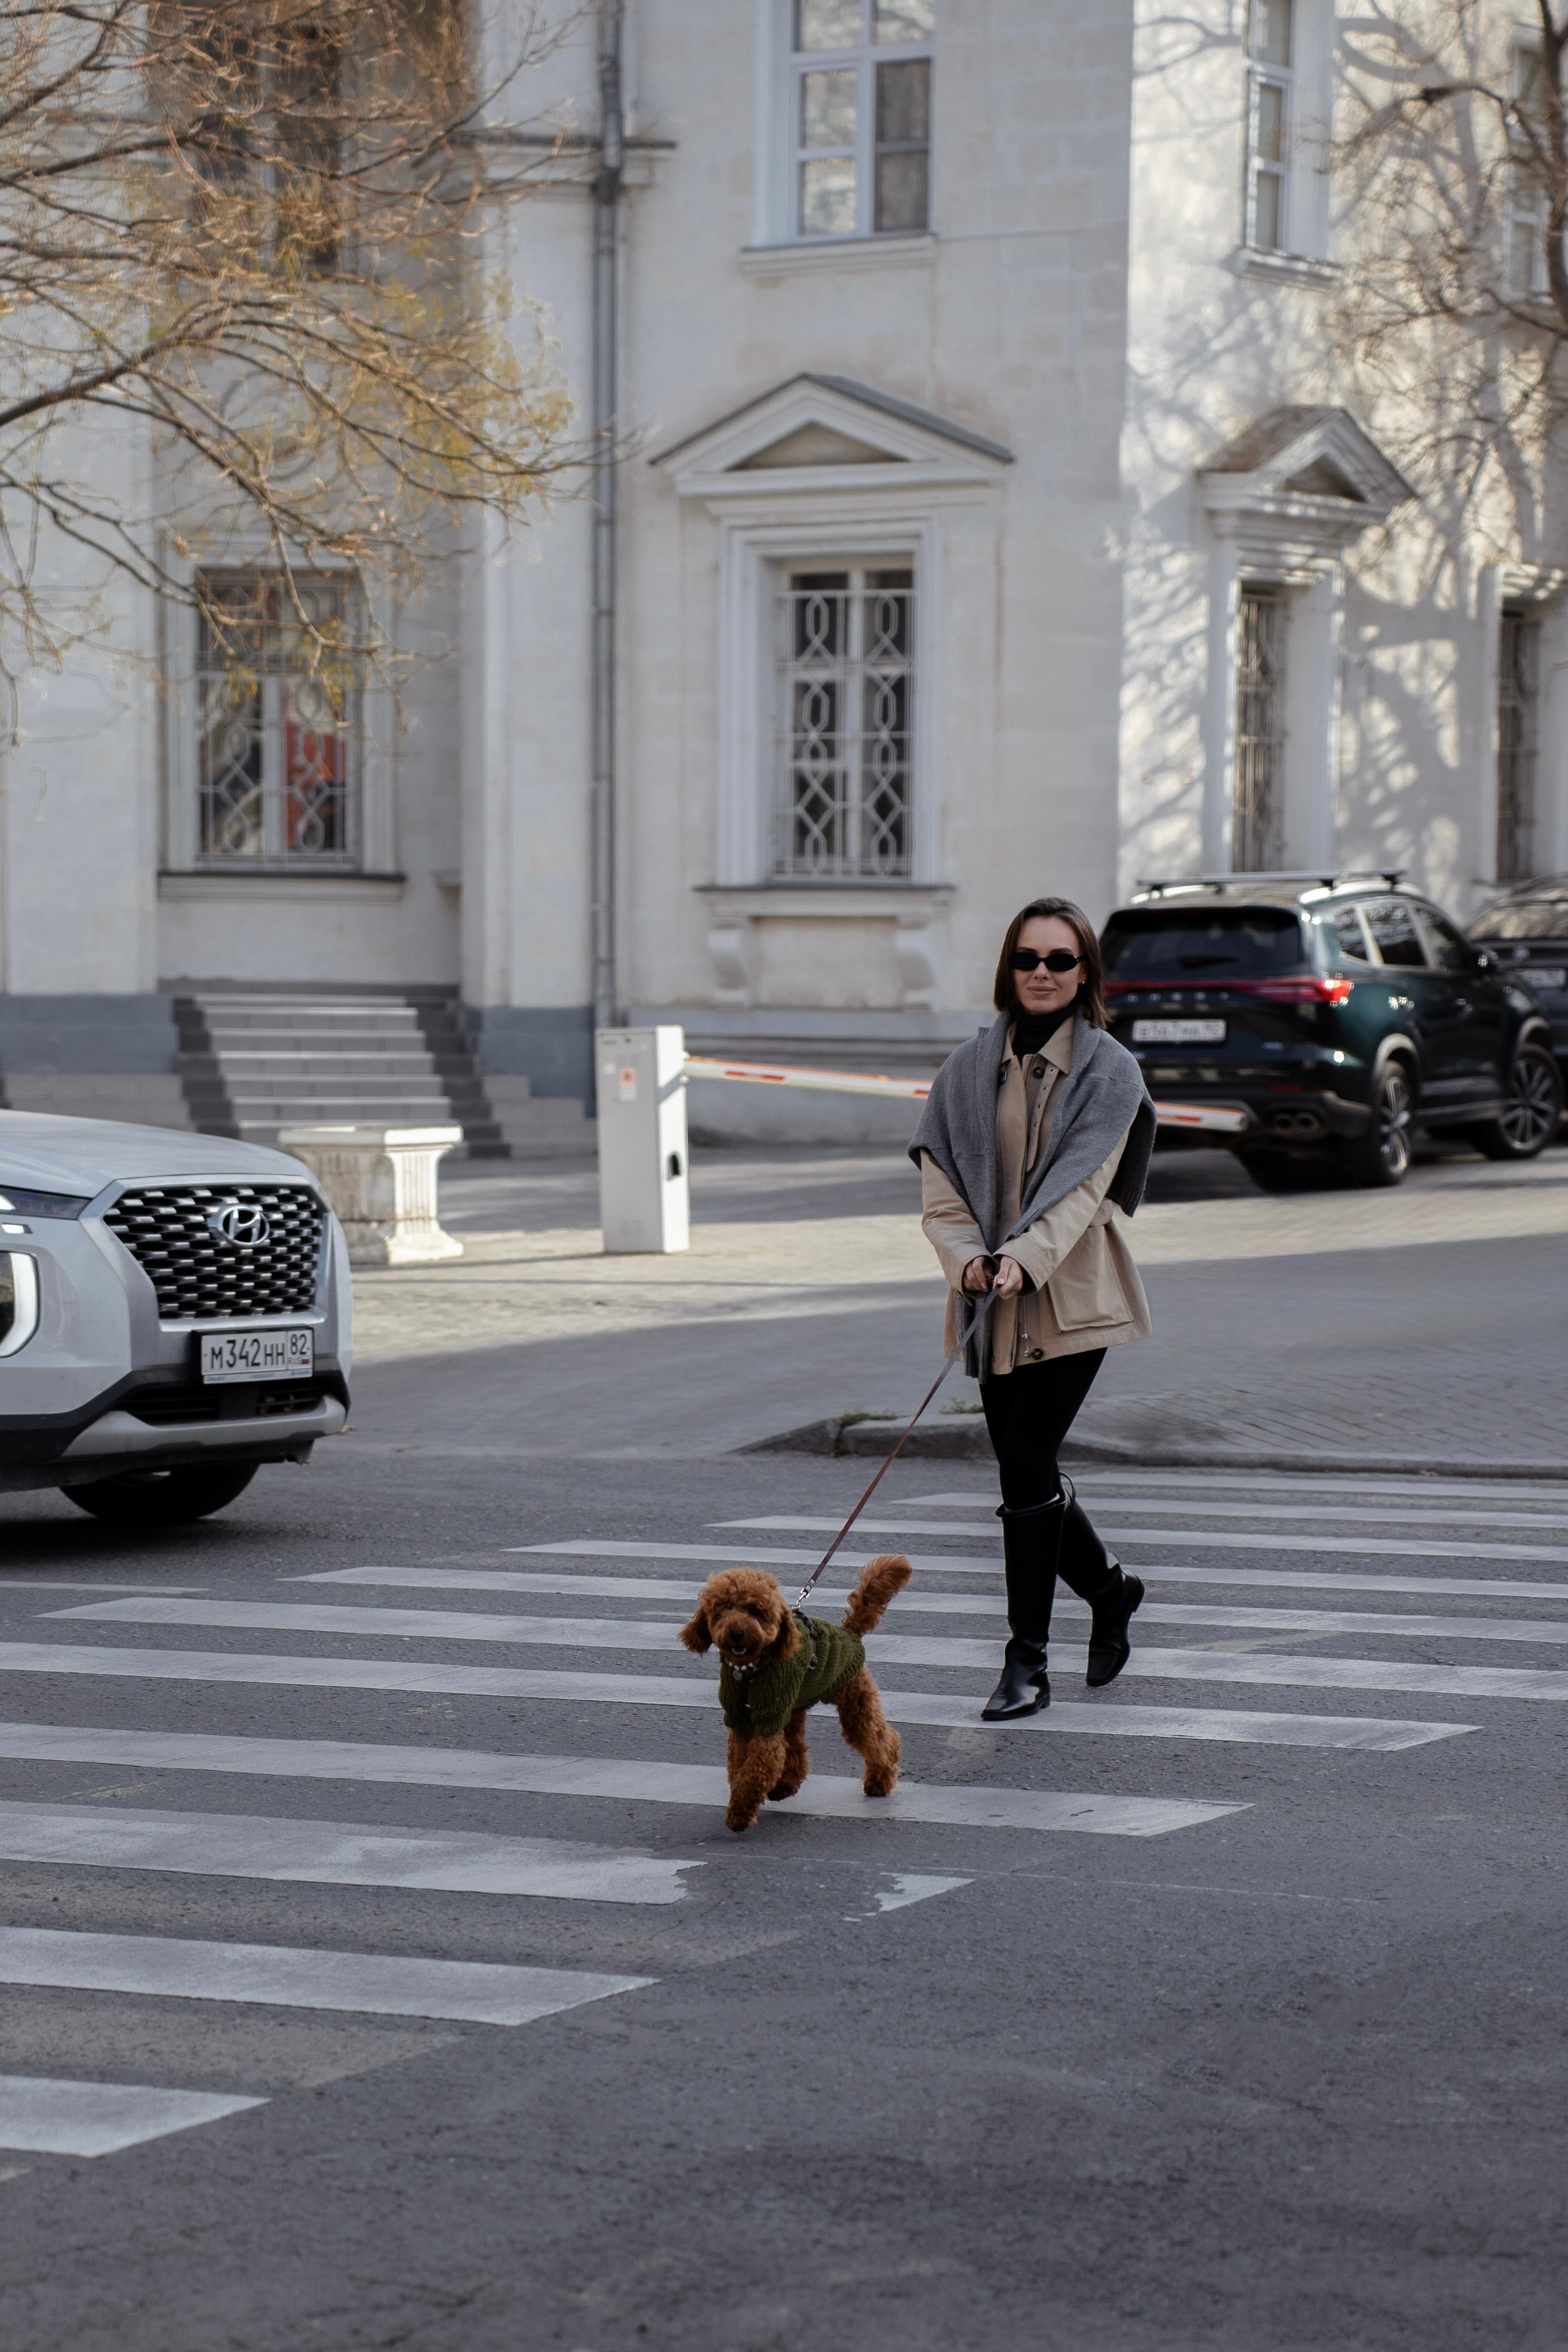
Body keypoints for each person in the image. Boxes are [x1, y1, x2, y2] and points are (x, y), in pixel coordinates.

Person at [908, 897, 1158, 1721]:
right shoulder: (964, 1071)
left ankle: (1026, 1662)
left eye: (1059, 960)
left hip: (1073, 1297)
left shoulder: (1110, 1070)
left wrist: (1022, 1258)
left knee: (1024, 1461)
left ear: (1085, 972)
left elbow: (1084, 1192)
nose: (1042, 975)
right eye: (1028, 959)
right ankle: (1112, 1590)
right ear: (1007, 970)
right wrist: (969, 1261)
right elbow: (940, 1191)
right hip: (990, 1299)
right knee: (1031, 1472)